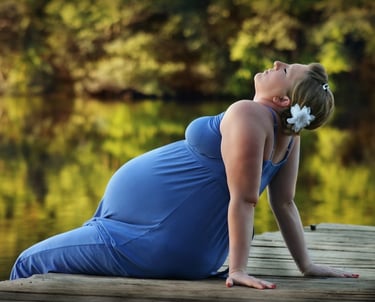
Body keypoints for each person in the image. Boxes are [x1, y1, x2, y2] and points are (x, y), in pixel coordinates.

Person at [10, 61, 358, 289]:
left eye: (285, 70)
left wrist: (237, 270)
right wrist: (306, 264)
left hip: (148, 239)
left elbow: (246, 198)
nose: (277, 63)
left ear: (283, 100)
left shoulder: (248, 113)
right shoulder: (289, 137)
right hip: (156, 236)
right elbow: (284, 203)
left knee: (27, 264)